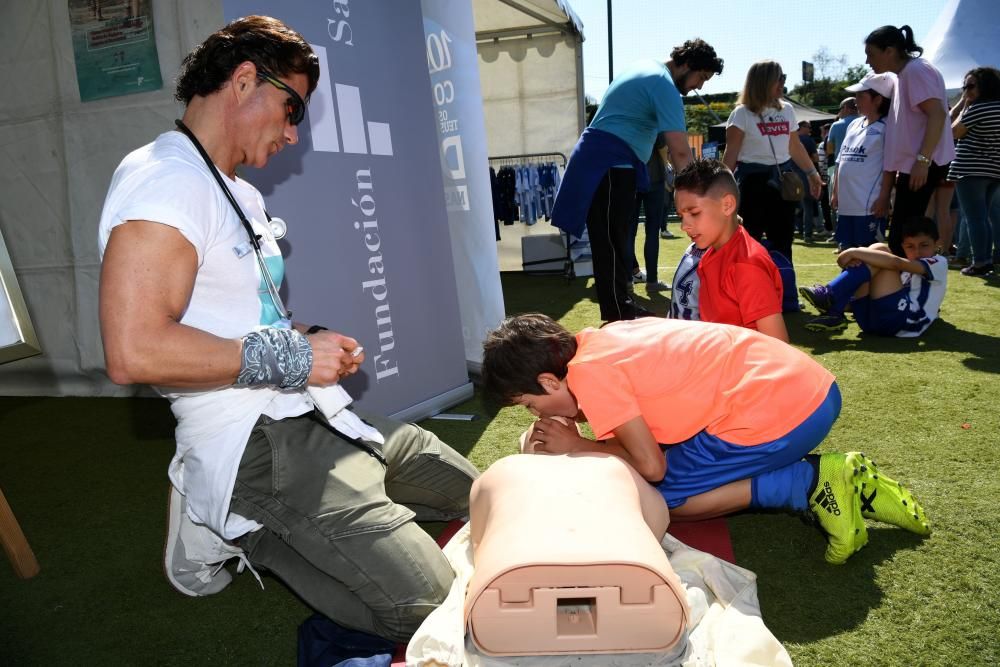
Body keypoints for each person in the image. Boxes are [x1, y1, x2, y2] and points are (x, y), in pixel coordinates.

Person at [97, 16, 478, 642]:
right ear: (244, 81)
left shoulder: (235, 190)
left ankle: (305, 508)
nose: (295, 133)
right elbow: (134, 351)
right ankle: (237, 522)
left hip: (312, 410)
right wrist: (294, 358)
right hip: (246, 437)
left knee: (482, 497)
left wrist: (313, 338)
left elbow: (248, 318)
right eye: (292, 106)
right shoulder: (166, 180)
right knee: (431, 608)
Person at [480, 313, 931, 565]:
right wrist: (582, 430)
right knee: (667, 466)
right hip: (813, 388)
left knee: (660, 498)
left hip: (784, 413)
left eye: (528, 404)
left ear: (549, 381)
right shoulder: (597, 342)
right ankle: (849, 484)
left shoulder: (591, 376)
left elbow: (651, 466)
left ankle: (811, 482)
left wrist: (578, 447)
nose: (533, 413)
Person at [552, 39, 724, 322]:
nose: (700, 86)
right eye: (701, 77)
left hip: (611, 164)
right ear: (687, 65)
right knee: (610, 242)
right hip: (607, 164)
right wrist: (702, 198)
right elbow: (680, 151)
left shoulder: (649, 69)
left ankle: (622, 306)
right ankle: (617, 312)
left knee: (616, 240)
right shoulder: (663, 84)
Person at [864, 24, 955, 255]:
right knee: (903, 240)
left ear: (890, 50)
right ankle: (906, 287)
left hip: (921, 166)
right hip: (915, 166)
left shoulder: (916, 71)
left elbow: (937, 114)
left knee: (904, 241)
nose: (868, 61)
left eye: (871, 54)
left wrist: (923, 161)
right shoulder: (904, 74)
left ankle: (911, 288)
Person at [671, 159, 787, 341]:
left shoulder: (746, 265)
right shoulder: (712, 252)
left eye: (694, 213)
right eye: (681, 216)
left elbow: (778, 345)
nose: (684, 226)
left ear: (727, 205)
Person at [722, 60, 823, 263]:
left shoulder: (786, 110)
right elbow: (730, 155)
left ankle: (784, 290)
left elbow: (794, 147)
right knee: (749, 241)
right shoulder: (741, 114)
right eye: (779, 79)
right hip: (752, 185)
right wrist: (720, 189)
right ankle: (746, 289)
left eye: (783, 78)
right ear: (763, 82)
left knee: (783, 241)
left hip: (782, 183)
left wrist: (812, 174)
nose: (783, 84)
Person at [800, 216, 947, 336]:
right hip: (870, 321)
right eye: (910, 246)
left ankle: (831, 295)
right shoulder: (907, 268)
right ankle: (835, 310)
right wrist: (847, 304)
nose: (917, 252)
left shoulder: (939, 262)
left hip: (902, 323)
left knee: (881, 253)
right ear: (903, 247)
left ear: (936, 244)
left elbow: (895, 263)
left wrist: (853, 252)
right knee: (878, 251)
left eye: (924, 245)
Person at [831, 72, 895, 250]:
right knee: (846, 251)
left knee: (869, 254)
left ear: (878, 99)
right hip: (846, 205)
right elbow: (840, 161)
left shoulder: (888, 126)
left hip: (869, 207)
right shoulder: (853, 124)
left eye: (861, 96)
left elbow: (889, 167)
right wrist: (835, 192)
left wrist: (884, 197)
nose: (855, 100)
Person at [948, 66, 1000, 276]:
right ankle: (987, 259)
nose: (965, 90)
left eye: (970, 86)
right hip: (995, 171)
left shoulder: (978, 108)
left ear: (984, 87)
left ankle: (980, 262)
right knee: (985, 217)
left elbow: (953, 131)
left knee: (975, 218)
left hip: (970, 170)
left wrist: (963, 104)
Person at [628, 134, 672, 291]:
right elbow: (662, 147)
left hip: (629, 176)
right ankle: (652, 282)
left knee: (628, 231)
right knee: (652, 231)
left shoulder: (626, 116)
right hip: (654, 177)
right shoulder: (653, 115)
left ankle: (627, 281)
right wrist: (667, 167)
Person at [793, 120, 823, 242]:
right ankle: (808, 234)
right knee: (808, 205)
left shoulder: (790, 138)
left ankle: (798, 230)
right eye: (808, 127)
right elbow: (816, 158)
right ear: (800, 127)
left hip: (791, 177)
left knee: (795, 205)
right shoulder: (807, 140)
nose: (810, 129)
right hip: (805, 176)